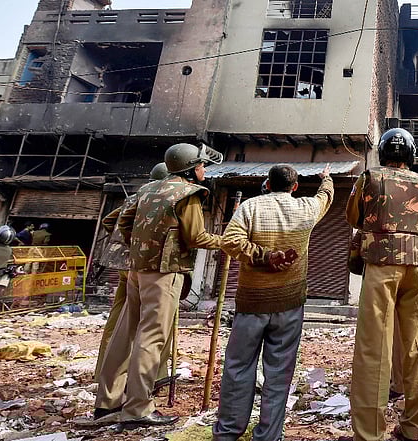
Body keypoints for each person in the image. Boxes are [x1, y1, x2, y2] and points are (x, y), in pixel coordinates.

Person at [94, 143, 224, 428]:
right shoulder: (188, 194)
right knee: (151, 337)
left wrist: (141, 247)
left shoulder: (146, 190)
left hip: (137, 269)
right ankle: (138, 409)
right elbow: (196, 237)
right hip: (165, 272)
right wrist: (226, 242)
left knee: (124, 333)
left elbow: (121, 223)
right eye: (201, 165)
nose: (204, 170)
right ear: (191, 168)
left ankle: (107, 403)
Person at [213, 163, 333, 441]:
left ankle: (228, 432)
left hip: (251, 303)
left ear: (267, 183)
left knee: (238, 367)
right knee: (279, 373)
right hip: (289, 303)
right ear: (294, 187)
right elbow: (326, 196)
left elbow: (230, 242)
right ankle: (268, 436)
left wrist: (262, 255)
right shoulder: (306, 208)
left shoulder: (250, 208)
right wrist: (326, 178)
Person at [345, 128, 418, 441]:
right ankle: (413, 426)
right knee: (416, 345)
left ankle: (369, 433)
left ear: (382, 152)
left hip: (382, 266)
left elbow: (354, 217)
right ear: (410, 154)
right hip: (417, 267)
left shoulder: (369, 177)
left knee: (375, 347)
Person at [95, 163, 173, 385]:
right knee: (153, 321)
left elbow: (109, 221)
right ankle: (154, 374)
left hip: (123, 263)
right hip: (145, 265)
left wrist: (124, 239)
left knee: (118, 320)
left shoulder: (137, 195)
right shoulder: (160, 197)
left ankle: (103, 369)